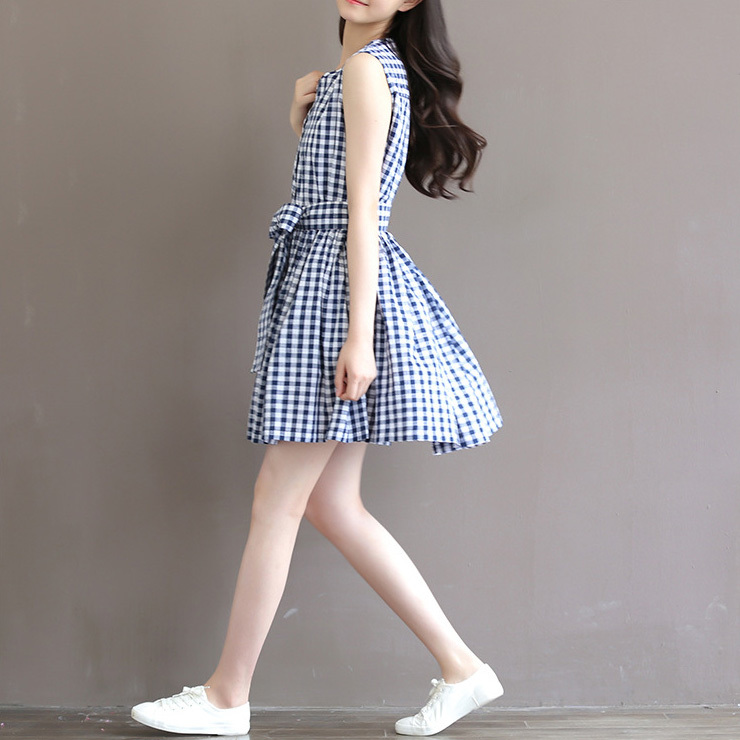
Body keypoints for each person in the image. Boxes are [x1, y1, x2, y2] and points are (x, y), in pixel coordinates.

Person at [131, 0, 504, 735]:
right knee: (332, 504)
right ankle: (463, 669)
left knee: (277, 498)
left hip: (334, 294)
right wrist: (305, 119)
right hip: (324, 283)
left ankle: (226, 697)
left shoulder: (367, 71)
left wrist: (358, 336)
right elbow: (338, 188)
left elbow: (363, 212)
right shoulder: (356, 73)